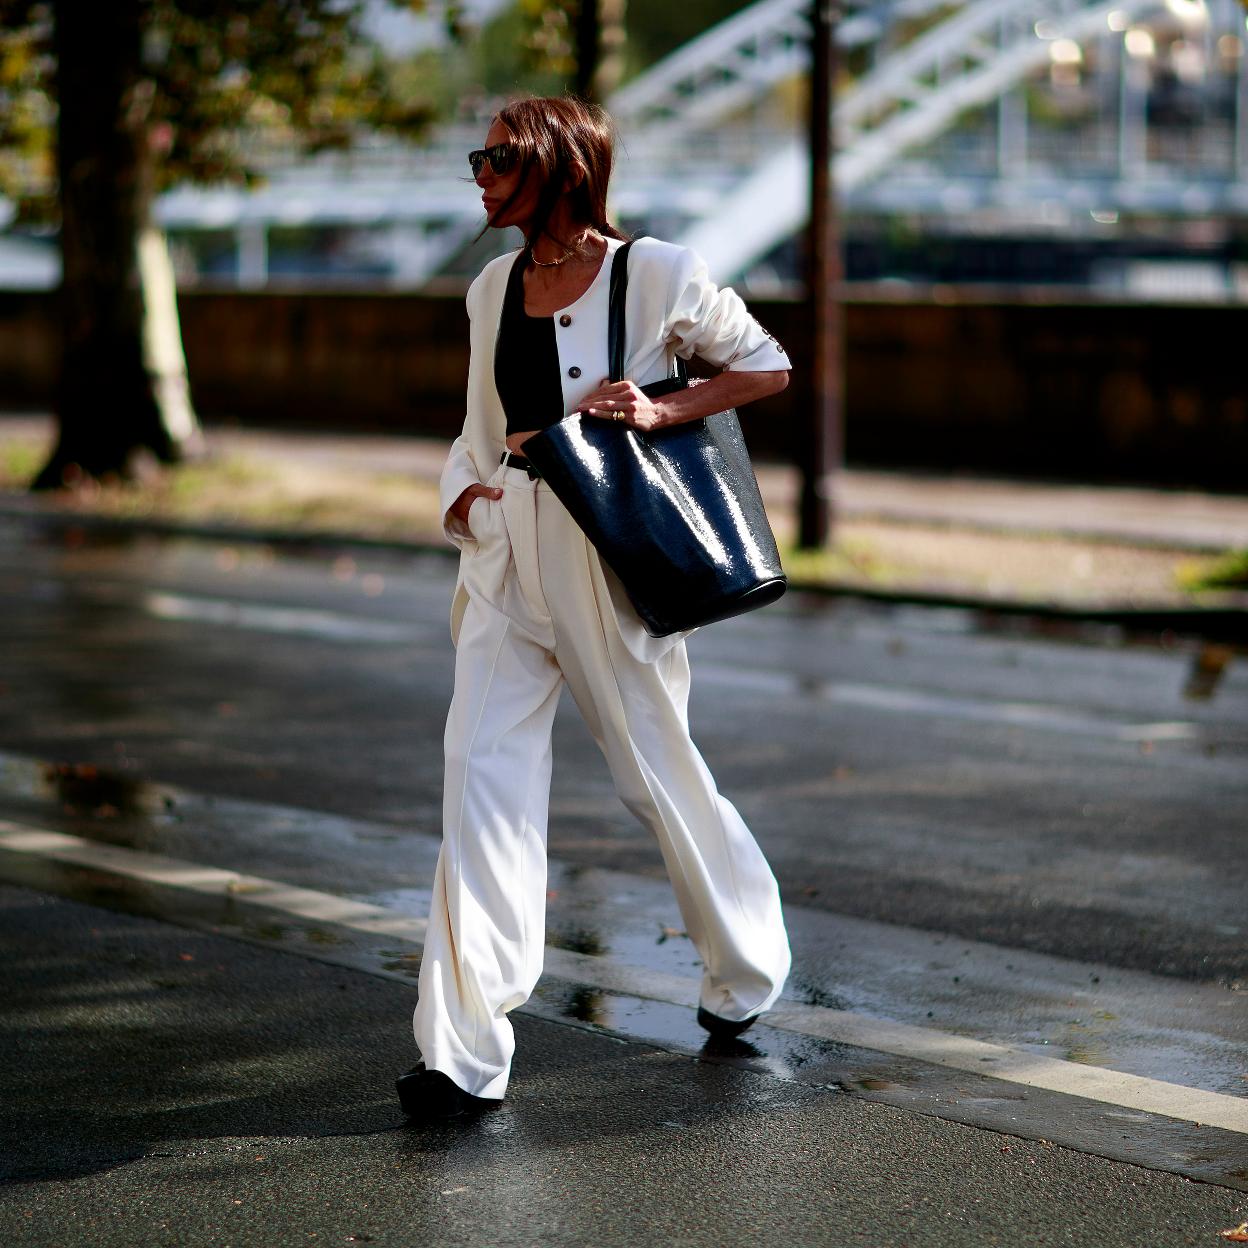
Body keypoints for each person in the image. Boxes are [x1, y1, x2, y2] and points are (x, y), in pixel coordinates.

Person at [396, 95, 794, 1121]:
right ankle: (462, 1052)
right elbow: (480, 427)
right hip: (504, 551)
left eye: (496, 158)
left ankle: (744, 966)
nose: (478, 175)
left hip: (606, 552)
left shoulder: (655, 271)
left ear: (560, 167)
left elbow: (764, 365)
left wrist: (663, 407)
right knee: (477, 781)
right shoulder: (490, 289)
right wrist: (471, 496)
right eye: (474, 157)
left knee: (655, 773)